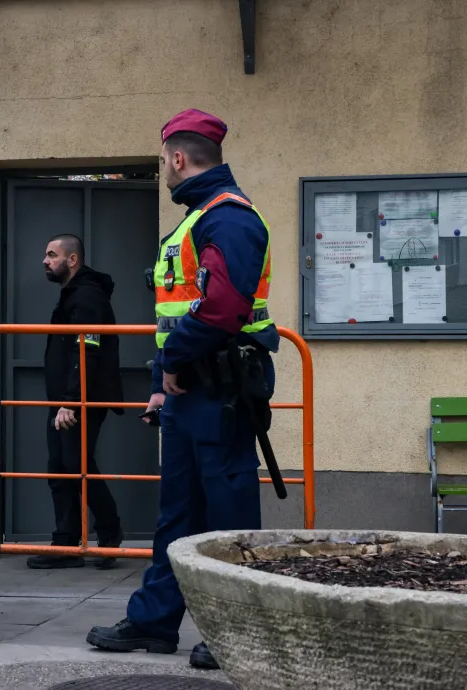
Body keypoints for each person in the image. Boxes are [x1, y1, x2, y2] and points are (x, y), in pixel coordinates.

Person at [85, 109, 278, 671]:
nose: (164, 170)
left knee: (227, 518)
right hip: (190, 390)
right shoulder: (198, 221)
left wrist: (172, 362)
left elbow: (223, 308)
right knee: (178, 515)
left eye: (163, 160)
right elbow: (176, 312)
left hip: (220, 388)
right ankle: (153, 621)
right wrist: (159, 384)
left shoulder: (228, 218)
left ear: (177, 157)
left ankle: (235, 632)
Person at [27, 234, 125, 571]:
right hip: (64, 401)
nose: (45, 261)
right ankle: (66, 543)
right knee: (60, 467)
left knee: (76, 465)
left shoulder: (87, 295)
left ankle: (109, 532)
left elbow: (86, 350)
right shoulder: (73, 294)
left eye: (52, 255)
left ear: (72, 260)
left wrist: (71, 401)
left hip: (79, 401)